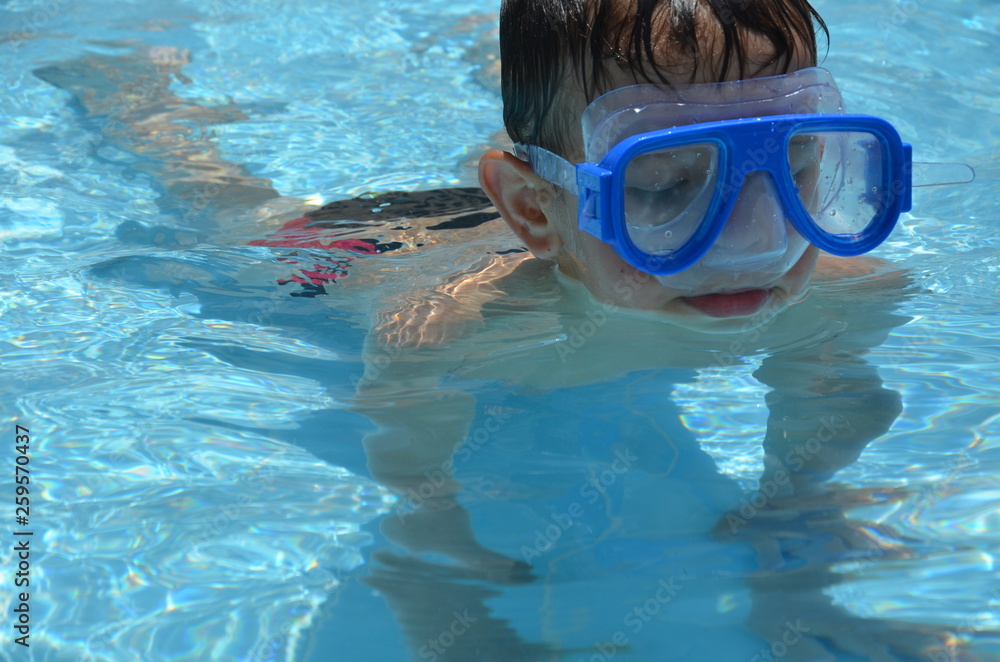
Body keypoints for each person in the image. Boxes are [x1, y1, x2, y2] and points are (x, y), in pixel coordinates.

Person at [35, 1, 982, 659]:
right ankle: (135, 94)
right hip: (372, 250)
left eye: (801, 167)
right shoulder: (450, 335)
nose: (755, 241)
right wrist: (445, 586)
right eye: (666, 187)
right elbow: (418, 490)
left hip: (556, 206)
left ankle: (504, 75)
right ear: (530, 212)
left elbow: (823, 413)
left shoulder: (846, 293)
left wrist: (797, 518)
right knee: (218, 207)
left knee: (565, 143)